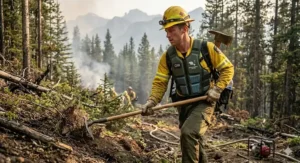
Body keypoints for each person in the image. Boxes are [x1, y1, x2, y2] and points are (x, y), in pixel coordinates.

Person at [140, 6, 234, 163]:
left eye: (172, 31)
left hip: (205, 101)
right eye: (166, 31)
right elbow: (160, 82)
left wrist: (217, 89)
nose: (168, 35)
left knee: (188, 133)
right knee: (195, 142)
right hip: (184, 105)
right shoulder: (168, 57)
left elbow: (228, 68)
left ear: (184, 28)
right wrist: (152, 101)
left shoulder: (206, 48)